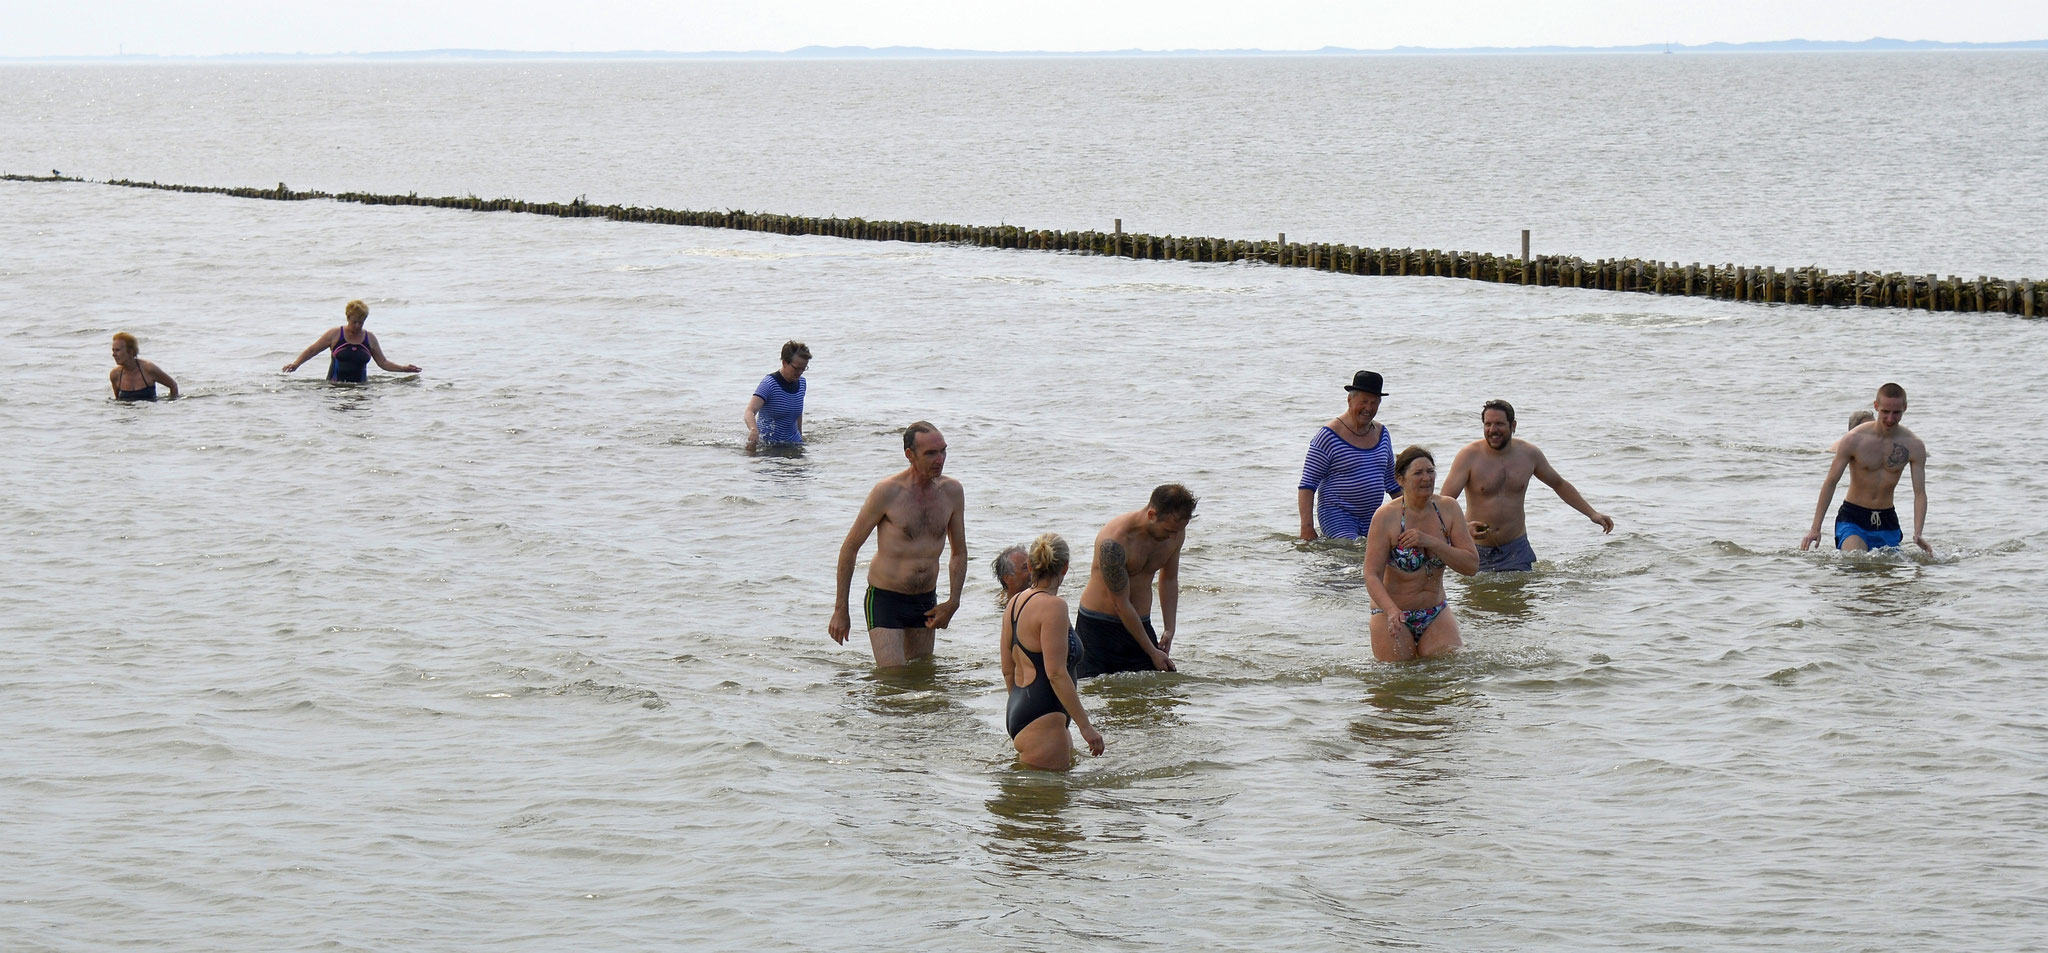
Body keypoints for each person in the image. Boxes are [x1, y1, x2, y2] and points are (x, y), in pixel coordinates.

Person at [829, 421, 968, 665]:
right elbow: (850, 548)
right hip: (886, 598)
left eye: (943, 451)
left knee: (921, 675)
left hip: (925, 599)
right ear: (910, 455)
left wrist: (953, 602)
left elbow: (959, 553)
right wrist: (841, 609)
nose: (940, 459)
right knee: (892, 677)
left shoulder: (952, 492)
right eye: (931, 453)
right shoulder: (887, 492)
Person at [1441, 399, 1614, 573]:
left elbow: (1559, 484)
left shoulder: (1529, 454)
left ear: (1513, 425)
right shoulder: (1468, 456)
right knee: (1476, 591)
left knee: (1522, 590)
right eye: (1488, 424)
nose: (1493, 430)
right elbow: (1444, 503)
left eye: (1499, 424)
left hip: (1516, 549)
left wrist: (1592, 514)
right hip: (1477, 549)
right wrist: (1464, 528)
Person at [1364, 447, 1480, 661]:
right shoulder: (1385, 517)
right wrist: (1391, 610)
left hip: (1435, 612)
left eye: (1430, 471)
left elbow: (1471, 566)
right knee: (1399, 677)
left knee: (1451, 669)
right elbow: (1371, 575)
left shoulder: (1448, 508)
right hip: (1392, 613)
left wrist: (1432, 542)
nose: (1426, 478)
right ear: (1400, 479)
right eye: (1418, 473)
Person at [1001, 533, 1105, 770]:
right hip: (1045, 716)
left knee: (1041, 792)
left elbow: (1008, 669)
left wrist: (1021, 707)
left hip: (1019, 710)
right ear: (1065, 568)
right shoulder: (1054, 606)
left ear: (1030, 566)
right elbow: (1056, 673)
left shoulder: (1014, 604)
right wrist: (1086, 727)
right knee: (1053, 794)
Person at [1075, 484, 1195, 677]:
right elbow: (1120, 603)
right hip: (1099, 627)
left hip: (1140, 622)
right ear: (1152, 514)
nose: (1172, 536)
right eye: (1169, 530)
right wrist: (1151, 651)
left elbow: (1169, 579)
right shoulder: (1115, 541)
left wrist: (1169, 628)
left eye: (1178, 530)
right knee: (1095, 689)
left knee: (1158, 688)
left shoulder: (1176, 532)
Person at [1801, 383, 1930, 553]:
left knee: (1889, 569)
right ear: (1876, 406)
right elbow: (1831, 482)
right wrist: (1815, 528)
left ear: (1905, 408)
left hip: (1887, 520)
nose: (1890, 418)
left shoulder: (1914, 445)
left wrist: (1918, 533)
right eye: (1885, 412)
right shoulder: (1854, 439)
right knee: (1856, 559)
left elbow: (1919, 493)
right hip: (1853, 518)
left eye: (1896, 413)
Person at [1299, 371, 1400, 541]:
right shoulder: (1328, 436)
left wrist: (1414, 515)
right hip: (1337, 514)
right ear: (1350, 400)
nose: (1369, 408)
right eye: (1364, 402)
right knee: (1351, 551)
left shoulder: (1382, 433)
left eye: (1374, 403)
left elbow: (1392, 482)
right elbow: (1307, 485)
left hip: (1373, 515)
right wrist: (1306, 528)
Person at [282, 299, 421, 381]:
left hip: (361, 389)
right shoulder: (335, 334)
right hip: (335, 388)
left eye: (361, 322)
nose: (357, 326)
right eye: (354, 322)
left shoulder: (370, 338)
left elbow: (383, 363)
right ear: (348, 318)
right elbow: (313, 350)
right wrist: (296, 364)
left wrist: (404, 369)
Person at [746, 341, 810, 449]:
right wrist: (753, 430)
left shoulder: (802, 383)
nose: (800, 372)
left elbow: (797, 413)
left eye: (803, 368)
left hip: (794, 443)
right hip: (769, 447)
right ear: (785, 363)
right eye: (796, 368)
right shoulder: (769, 384)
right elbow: (749, 411)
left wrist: (800, 437)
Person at [107, 332, 178, 401]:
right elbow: (118, 401)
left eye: (117, 350)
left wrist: (171, 403)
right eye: (113, 350)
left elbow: (173, 385)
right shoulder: (115, 375)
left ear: (130, 351)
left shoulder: (149, 369)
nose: (113, 354)